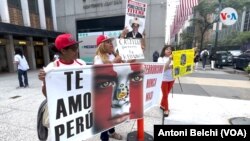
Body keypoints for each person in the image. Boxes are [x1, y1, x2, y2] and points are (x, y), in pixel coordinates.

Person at [37, 33, 86, 140]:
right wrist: (45, 81)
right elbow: (47, 95)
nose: (77, 50)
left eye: (77, 47)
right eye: (73, 48)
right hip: (62, 111)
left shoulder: (82, 64)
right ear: (63, 51)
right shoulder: (52, 68)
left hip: (79, 109)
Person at [93, 35, 124, 141]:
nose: (111, 43)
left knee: (112, 113)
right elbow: (101, 72)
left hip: (114, 89)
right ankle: (104, 137)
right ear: (101, 45)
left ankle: (112, 132)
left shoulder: (113, 55)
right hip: (103, 92)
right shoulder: (98, 57)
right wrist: (116, 61)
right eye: (107, 42)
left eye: (111, 41)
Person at [157, 45, 175, 117]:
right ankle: (166, 109)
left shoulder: (175, 58)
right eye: (167, 49)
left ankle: (162, 105)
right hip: (163, 79)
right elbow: (163, 69)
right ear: (164, 50)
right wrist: (169, 61)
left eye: (170, 49)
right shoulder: (160, 58)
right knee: (165, 95)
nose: (169, 50)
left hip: (172, 79)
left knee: (166, 94)